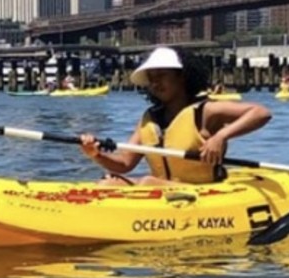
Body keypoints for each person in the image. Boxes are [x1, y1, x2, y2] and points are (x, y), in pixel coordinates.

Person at [79, 46, 271, 186]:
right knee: (108, 184)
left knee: (148, 183)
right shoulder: (150, 118)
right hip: (163, 190)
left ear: (181, 76)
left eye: (161, 75)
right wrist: (96, 154)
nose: (155, 83)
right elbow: (124, 164)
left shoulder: (205, 111)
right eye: (151, 78)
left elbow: (260, 113)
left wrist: (221, 136)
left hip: (199, 193)